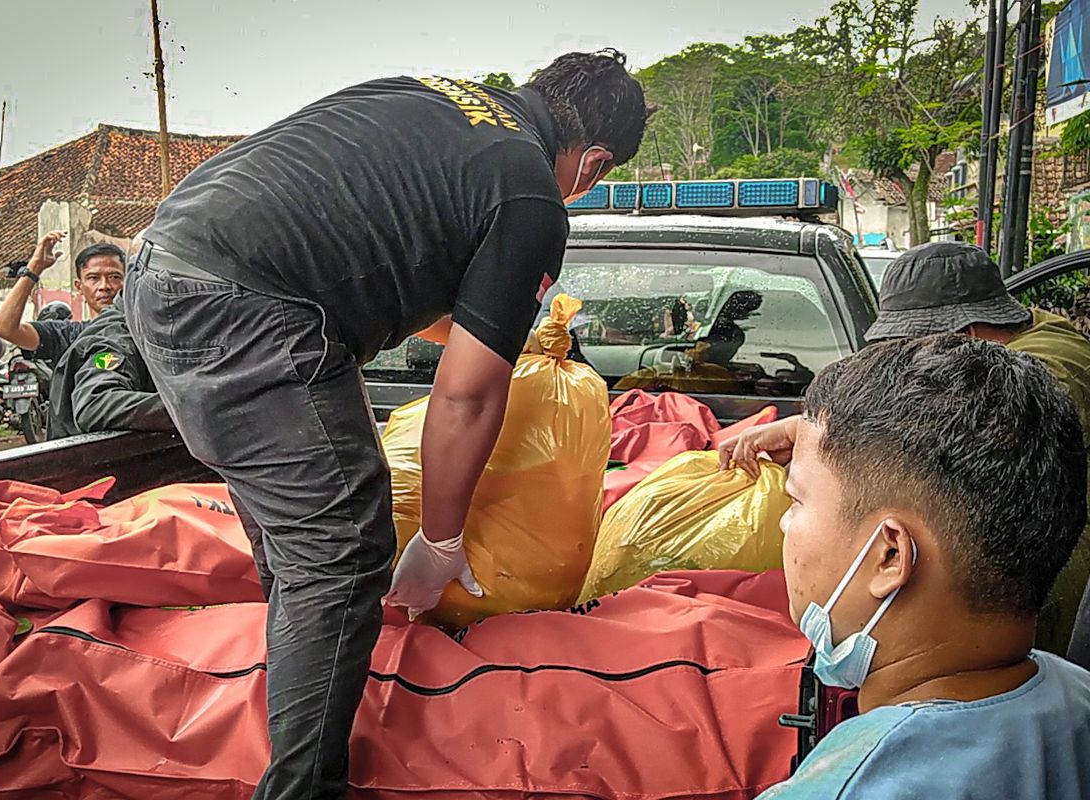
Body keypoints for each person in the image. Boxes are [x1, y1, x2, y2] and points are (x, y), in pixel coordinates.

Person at [125, 50, 648, 799]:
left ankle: (292, 713)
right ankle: (303, 786)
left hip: (161, 272)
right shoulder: (531, 193)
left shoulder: (433, 96)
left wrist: (507, 331)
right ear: (593, 165)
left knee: (301, 554)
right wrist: (440, 542)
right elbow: (465, 398)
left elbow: (392, 272)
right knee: (342, 555)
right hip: (248, 306)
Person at [753, 334, 1090, 799]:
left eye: (796, 500)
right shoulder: (1078, 697)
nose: (784, 523)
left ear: (889, 555)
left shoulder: (849, 788)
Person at [721, 241, 1090, 654]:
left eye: (913, 344)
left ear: (963, 336)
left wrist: (812, 435)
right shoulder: (1017, 341)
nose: (908, 358)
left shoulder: (1047, 369)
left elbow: (952, 427)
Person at [46, 295, 173, 440]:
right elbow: (94, 403)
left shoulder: (149, 325)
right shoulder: (116, 336)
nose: (104, 287)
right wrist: (191, 412)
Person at [0, 233, 126, 364]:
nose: (104, 286)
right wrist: (34, 267)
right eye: (93, 278)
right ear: (79, 287)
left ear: (128, 283)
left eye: (114, 277)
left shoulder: (141, 332)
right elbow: (5, 328)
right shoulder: (66, 335)